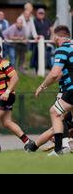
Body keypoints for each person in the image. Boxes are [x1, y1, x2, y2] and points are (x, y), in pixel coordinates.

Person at [35, 25, 73, 156]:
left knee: (55, 112)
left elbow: (55, 74)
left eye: (52, 35)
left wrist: (42, 86)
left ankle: (59, 149)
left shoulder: (62, 49)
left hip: (71, 89)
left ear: (57, 37)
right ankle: (65, 145)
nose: (51, 38)